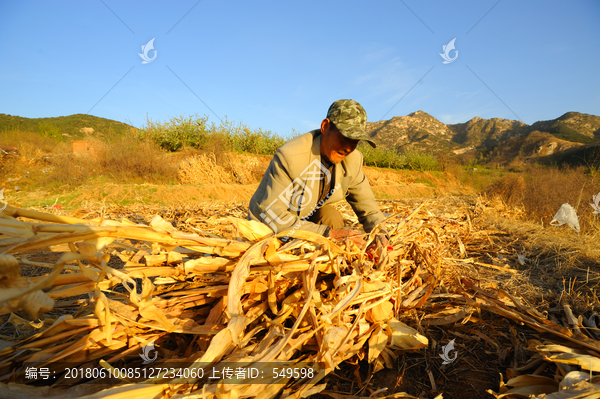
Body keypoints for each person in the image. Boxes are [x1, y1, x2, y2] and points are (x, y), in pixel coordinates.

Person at [248, 99, 387, 242]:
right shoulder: (290, 157)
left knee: (330, 217)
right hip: (269, 229)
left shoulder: (353, 160)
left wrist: (380, 233)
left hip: (305, 220)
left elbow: (369, 209)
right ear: (325, 126)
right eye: (344, 137)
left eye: (355, 142)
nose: (348, 148)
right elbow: (272, 216)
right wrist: (328, 234)